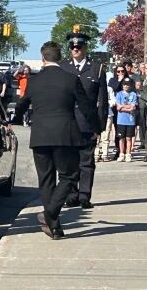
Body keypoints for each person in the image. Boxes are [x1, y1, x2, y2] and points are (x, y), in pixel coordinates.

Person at [14, 41, 100, 239]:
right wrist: (96, 128)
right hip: (64, 135)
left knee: (46, 180)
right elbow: (86, 106)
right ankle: (50, 214)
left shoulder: (34, 81)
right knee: (70, 175)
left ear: (43, 58)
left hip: (40, 135)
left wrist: (15, 119)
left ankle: (54, 226)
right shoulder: (70, 79)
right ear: (60, 58)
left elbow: (21, 104)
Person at [59, 32, 108, 209]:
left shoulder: (96, 68)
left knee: (86, 162)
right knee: (67, 161)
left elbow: (102, 100)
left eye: (78, 47)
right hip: (68, 122)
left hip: (87, 123)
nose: (75, 49)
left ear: (85, 48)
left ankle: (84, 195)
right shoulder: (62, 67)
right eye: (72, 47)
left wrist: (100, 125)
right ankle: (71, 194)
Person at [115, 77, 138, 163]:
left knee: (129, 138)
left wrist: (124, 107)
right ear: (122, 85)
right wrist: (128, 108)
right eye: (124, 84)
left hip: (130, 120)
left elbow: (133, 107)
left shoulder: (133, 94)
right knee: (121, 138)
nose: (126, 86)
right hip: (121, 120)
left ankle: (128, 153)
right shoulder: (119, 94)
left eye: (128, 84)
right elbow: (118, 107)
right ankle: (121, 153)